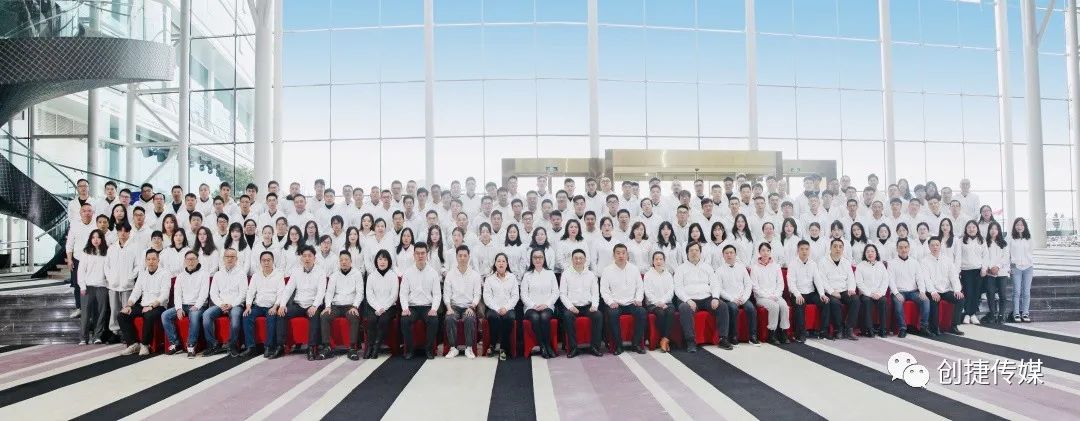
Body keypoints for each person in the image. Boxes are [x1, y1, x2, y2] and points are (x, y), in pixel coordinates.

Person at [675, 243, 733, 351]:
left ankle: (723, 339)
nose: (694, 253)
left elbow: (715, 284)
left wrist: (715, 297)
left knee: (723, 306)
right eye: (691, 250)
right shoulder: (680, 269)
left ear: (700, 253)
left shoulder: (707, 267)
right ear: (687, 253)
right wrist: (687, 300)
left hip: (706, 298)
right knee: (684, 308)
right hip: (689, 299)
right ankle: (690, 341)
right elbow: (678, 288)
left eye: (697, 250)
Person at [117, 249, 170, 356]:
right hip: (143, 305)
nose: (151, 261)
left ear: (158, 260)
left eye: (153, 259)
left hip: (158, 306)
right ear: (145, 261)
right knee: (122, 315)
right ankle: (133, 344)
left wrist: (152, 306)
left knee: (148, 315)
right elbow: (136, 291)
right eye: (148, 259)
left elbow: (165, 295)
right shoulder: (143, 274)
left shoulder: (165, 273)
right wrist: (128, 305)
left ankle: (145, 345)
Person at [278, 246, 327, 361]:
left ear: (314, 258)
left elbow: (321, 292)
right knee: (281, 313)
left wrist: (314, 306)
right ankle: (281, 345)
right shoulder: (296, 271)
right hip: (298, 305)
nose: (307, 258)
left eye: (309, 256)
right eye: (304, 256)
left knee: (315, 316)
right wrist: (282, 305)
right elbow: (288, 289)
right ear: (301, 258)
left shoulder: (321, 272)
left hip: (313, 304)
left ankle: (311, 348)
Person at [600, 244, 648, 355]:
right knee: (612, 314)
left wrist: (638, 299)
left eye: (623, 253)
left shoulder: (634, 269)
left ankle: (635, 344)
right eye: (618, 253)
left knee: (642, 312)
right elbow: (604, 290)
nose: (621, 255)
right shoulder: (607, 270)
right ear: (613, 255)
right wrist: (611, 302)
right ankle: (618, 346)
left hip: (632, 302)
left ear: (627, 255)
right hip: (615, 303)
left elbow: (640, 287)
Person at [162, 251, 210, 358]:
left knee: (194, 316)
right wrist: (179, 308)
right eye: (188, 259)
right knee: (165, 315)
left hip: (198, 305)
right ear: (185, 261)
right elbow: (177, 294)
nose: (190, 262)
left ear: (197, 260)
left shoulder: (204, 274)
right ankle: (175, 343)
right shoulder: (180, 276)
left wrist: (196, 306)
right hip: (183, 305)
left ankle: (191, 346)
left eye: (193, 259)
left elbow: (204, 293)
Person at [318, 251, 364, 360]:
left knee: (354, 316)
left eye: (346, 259)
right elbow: (329, 292)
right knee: (324, 316)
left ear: (351, 261)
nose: (344, 262)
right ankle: (327, 347)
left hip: (350, 306)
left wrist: (355, 306)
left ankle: (352, 348)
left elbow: (360, 292)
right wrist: (328, 306)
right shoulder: (334, 275)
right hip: (336, 306)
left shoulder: (357, 274)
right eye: (341, 260)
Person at [399, 242, 442, 360]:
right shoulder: (408, 272)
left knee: (434, 320)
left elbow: (437, 294)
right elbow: (403, 293)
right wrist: (405, 308)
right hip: (412, 307)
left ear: (426, 254)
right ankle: (410, 349)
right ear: (414, 255)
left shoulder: (433, 273)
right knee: (404, 320)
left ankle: (428, 349)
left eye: (423, 253)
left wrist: (434, 309)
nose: (420, 256)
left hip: (427, 306)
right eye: (417, 253)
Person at [560, 249, 604, 357]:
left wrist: (594, 306)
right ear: (572, 260)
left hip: (587, 307)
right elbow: (562, 294)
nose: (578, 260)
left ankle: (594, 347)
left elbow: (595, 293)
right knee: (567, 316)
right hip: (572, 307)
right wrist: (570, 307)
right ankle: (573, 348)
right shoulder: (566, 274)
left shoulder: (591, 275)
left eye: (581, 258)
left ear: (585, 260)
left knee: (598, 315)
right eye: (576, 258)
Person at [243, 251, 286, 359]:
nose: (266, 263)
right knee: (246, 316)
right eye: (264, 260)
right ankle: (251, 347)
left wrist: (275, 307)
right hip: (258, 306)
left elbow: (281, 293)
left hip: (272, 306)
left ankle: (268, 347)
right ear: (260, 262)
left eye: (268, 260)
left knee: (271, 318)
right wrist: (248, 306)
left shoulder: (279, 275)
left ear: (273, 261)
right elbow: (250, 292)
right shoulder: (256, 275)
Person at [444, 245, 483, 359]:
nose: (462, 258)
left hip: (469, 306)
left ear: (469, 257)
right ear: (456, 257)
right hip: (454, 306)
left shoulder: (475, 275)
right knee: (449, 318)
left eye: (465, 256)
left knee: (470, 319)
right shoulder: (450, 274)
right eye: (460, 255)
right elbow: (446, 294)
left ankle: (469, 348)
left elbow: (477, 294)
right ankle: (453, 348)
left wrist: (472, 307)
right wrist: (449, 308)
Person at [105, 223, 141, 343]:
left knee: (127, 310)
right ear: (117, 232)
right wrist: (110, 278)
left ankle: (126, 333)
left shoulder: (134, 247)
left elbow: (138, 265)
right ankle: (115, 332)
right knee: (114, 309)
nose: (123, 233)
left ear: (129, 233)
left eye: (125, 231)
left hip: (127, 285)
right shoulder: (112, 248)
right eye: (120, 231)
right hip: (113, 285)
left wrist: (130, 277)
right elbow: (106, 266)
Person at [921, 237, 965, 336]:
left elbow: (954, 276)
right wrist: (932, 292)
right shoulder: (924, 261)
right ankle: (934, 328)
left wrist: (957, 290)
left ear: (940, 246)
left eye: (937, 245)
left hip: (945, 290)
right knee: (934, 301)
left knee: (960, 298)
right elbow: (926, 279)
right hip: (932, 290)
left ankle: (953, 326)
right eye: (932, 245)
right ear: (929, 247)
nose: (935, 247)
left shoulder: (947, 260)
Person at [817, 239, 859, 340]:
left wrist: (851, 289)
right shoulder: (823, 262)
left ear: (843, 249)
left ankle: (849, 328)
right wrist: (832, 292)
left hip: (844, 290)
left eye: (840, 247)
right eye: (835, 246)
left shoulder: (846, 262)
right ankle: (839, 329)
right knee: (834, 302)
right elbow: (822, 280)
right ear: (830, 248)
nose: (838, 249)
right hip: (830, 290)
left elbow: (851, 278)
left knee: (856, 299)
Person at [521, 248, 559, 358]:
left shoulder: (550, 273)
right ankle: (543, 346)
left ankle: (547, 345)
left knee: (544, 316)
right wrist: (533, 305)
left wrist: (546, 304)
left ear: (544, 259)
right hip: (530, 307)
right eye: (535, 257)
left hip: (547, 306)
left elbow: (555, 292)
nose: (538, 259)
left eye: (540, 257)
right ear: (531, 259)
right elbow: (523, 294)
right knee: (535, 317)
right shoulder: (527, 275)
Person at [715, 245, 757, 345]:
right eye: (726, 253)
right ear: (723, 255)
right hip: (729, 299)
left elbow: (748, 284)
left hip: (742, 297)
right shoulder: (719, 270)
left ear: (735, 254)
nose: (729, 255)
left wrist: (744, 298)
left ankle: (753, 336)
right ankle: (733, 336)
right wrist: (732, 299)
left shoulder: (742, 268)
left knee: (751, 308)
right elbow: (719, 289)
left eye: (731, 253)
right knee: (733, 308)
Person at [751, 242, 790, 345]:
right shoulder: (755, 267)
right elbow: (755, 287)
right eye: (763, 250)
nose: (765, 253)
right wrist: (768, 296)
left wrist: (776, 295)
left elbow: (780, 283)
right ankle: (771, 333)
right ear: (759, 252)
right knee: (774, 306)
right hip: (761, 297)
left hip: (776, 295)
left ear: (770, 252)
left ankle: (783, 332)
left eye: (768, 250)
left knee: (784, 306)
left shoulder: (776, 266)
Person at [363, 250, 400, 359]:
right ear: (376, 261)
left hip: (389, 307)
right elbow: (369, 295)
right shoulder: (371, 276)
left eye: (385, 259)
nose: (382, 262)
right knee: (372, 320)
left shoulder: (393, 276)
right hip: (374, 306)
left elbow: (394, 295)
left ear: (389, 261)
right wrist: (378, 307)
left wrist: (383, 308)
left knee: (383, 320)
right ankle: (369, 347)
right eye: (380, 259)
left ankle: (376, 347)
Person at [788, 240, 827, 342]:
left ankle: (823, 331)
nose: (804, 251)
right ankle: (800, 334)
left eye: (806, 249)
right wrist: (797, 294)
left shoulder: (813, 263)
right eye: (802, 249)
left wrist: (822, 294)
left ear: (809, 250)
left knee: (825, 302)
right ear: (798, 250)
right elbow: (791, 283)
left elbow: (817, 280)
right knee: (800, 303)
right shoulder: (792, 264)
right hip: (798, 293)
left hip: (810, 292)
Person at [888, 239, 928, 338]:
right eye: (901, 247)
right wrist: (896, 293)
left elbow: (920, 279)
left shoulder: (915, 262)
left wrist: (922, 291)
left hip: (913, 292)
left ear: (909, 248)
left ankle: (923, 327)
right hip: (899, 291)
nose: (903, 250)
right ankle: (902, 328)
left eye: (906, 247)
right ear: (897, 249)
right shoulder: (892, 263)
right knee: (898, 303)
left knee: (925, 300)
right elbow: (890, 280)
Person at [77, 229, 110, 344]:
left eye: (98, 237)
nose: (96, 240)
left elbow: (108, 270)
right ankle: (83, 338)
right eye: (93, 237)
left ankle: (97, 336)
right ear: (90, 239)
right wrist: (82, 286)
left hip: (102, 286)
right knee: (85, 314)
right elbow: (81, 270)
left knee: (100, 313)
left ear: (102, 239)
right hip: (87, 286)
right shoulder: (86, 252)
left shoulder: (107, 252)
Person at [484, 253, 519, 360]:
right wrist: (497, 308)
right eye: (498, 261)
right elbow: (487, 297)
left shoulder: (512, 278)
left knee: (509, 318)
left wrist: (506, 308)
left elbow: (515, 296)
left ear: (507, 264)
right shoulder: (489, 278)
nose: (501, 263)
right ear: (495, 264)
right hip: (493, 309)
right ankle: (493, 344)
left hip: (508, 308)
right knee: (493, 317)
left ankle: (503, 348)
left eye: (503, 261)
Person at [67, 202, 96, 318]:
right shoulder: (74, 225)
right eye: (84, 211)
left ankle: (91, 310)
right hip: (77, 259)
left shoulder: (96, 224)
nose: (87, 213)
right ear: (80, 213)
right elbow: (69, 244)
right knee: (77, 285)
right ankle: (79, 308)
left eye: (89, 211)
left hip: (93, 260)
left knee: (92, 285)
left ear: (93, 213)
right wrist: (69, 260)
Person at [855, 244, 890, 338]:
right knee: (867, 301)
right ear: (865, 254)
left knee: (883, 301)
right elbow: (859, 283)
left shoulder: (881, 265)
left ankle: (883, 329)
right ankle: (869, 329)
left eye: (872, 251)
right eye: (868, 252)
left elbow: (885, 280)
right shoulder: (860, 266)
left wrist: (880, 293)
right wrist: (870, 294)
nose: (870, 253)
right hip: (866, 294)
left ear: (876, 253)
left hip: (879, 294)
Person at [958, 220, 987, 324]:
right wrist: (958, 270)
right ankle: (967, 314)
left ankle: (973, 314)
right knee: (968, 292)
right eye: (969, 227)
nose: (971, 229)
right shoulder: (961, 241)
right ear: (966, 229)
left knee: (976, 293)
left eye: (973, 227)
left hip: (978, 270)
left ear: (977, 229)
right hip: (965, 270)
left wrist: (984, 268)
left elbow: (985, 256)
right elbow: (958, 256)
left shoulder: (982, 240)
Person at [982, 222, 1010, 324]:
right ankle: (992, 314)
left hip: (1002, 272)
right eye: (991, 228)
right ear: (989, 230)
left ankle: (1001, 315)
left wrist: (997, 266)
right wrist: (990, 268)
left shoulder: (1004, 243)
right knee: (990, 293)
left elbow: (1005, 257)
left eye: (996, 229)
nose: (993, 231)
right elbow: (984, 256)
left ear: (999, 231)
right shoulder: (985, 243)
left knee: (1002, 294)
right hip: (990, 273)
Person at [1010, 218, 1034, 323]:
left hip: (1028, 267)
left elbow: (1031, 251)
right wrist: (1010, 266)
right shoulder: (1011, 238)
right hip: (1016, 267)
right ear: (1014, 226)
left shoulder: (1029, 238)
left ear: (1025, 226)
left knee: (1026, 291)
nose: (1019, 227)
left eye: (1021, 225)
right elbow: (1007, 253)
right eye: (1017, 225)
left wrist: (1030, 262)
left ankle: (1025, 313)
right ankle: (1016, 313)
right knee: (1017, 291)